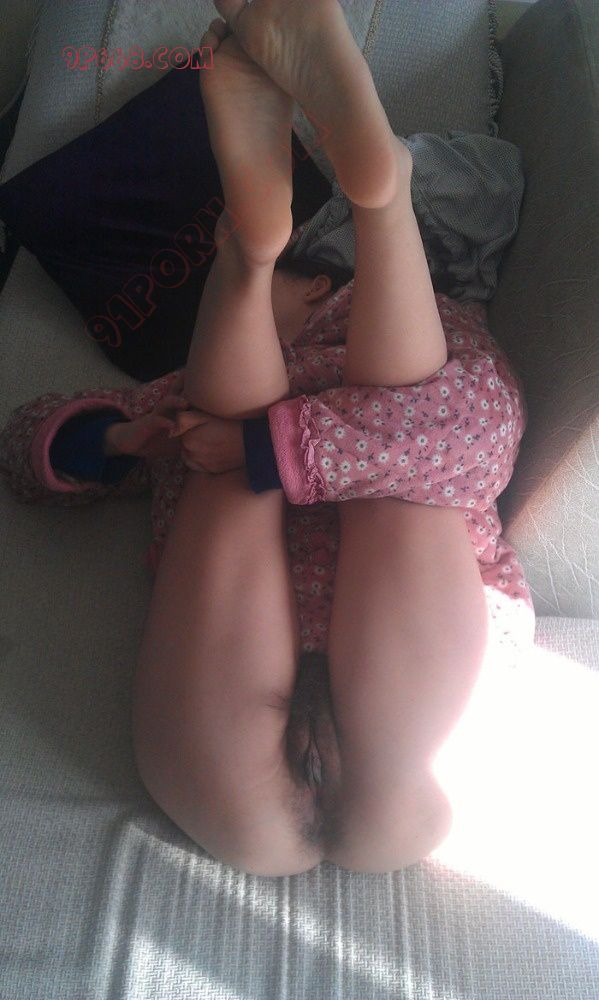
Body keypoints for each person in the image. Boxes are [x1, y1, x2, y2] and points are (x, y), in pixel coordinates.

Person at [0, 0, 535, 878]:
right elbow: (23, 450)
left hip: (407, 645)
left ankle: (362, 211)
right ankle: (253, 251)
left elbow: (477, 433)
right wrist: (129, 439)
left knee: (403, 471)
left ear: (325, 285)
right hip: (289, 668)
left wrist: (260, 449)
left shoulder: (443, 347)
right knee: (227, 456)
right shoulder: (196, 393)